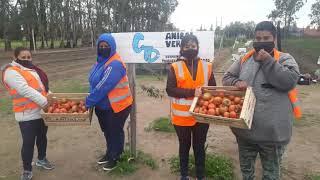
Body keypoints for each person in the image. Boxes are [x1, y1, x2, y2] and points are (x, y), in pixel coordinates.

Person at [222, 21, 301, 180]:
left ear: (274, 39)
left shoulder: (285, 58)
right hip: (245, 132)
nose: (261, 41)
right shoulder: (245, 59)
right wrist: (237, 83)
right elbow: (227, 77)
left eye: (266, 38)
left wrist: (268, 61)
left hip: (272, 136)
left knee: (271, 175)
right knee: (247, 173)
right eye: (258, 38)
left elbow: (289, 81)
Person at [166, 34, 216, 180]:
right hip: (182, 118)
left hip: (201, 115)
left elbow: (213, 88)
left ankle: (201, 175)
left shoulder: (207, 66)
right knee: (184, 146)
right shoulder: (175, 67)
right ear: (182, 48)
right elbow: (170, 89)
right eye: (187, 46)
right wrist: (192, 92)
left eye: (193, 46)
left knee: (199, 147)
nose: (190, 49)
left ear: (197, 48)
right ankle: (184, 175)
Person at [1, 47, 54, 180]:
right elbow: (25, 90)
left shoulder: (32, 70)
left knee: (42, 137)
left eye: (28, 57)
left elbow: (41, 87)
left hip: (41, 111)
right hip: (26, 114)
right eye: (23, 57)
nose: (26, 59)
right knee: (28, 142)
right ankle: (27, 170)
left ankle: (42, 160)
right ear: (15, 57)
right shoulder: (11, 72)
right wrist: (45, 102)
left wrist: (50, 95)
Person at [85, 33, 133, 171]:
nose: (103, 48)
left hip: (117, 106)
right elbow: (93, 82)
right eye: (101, 46)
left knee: (115, 131)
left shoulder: (115, 63)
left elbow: (103, 86)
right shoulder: (100, 62)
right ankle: (109, 153)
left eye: (106, 46)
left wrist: (88, 101)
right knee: (107, 131)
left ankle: (115, 157)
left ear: (112, 47)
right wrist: (92, 98)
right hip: (103, 106)